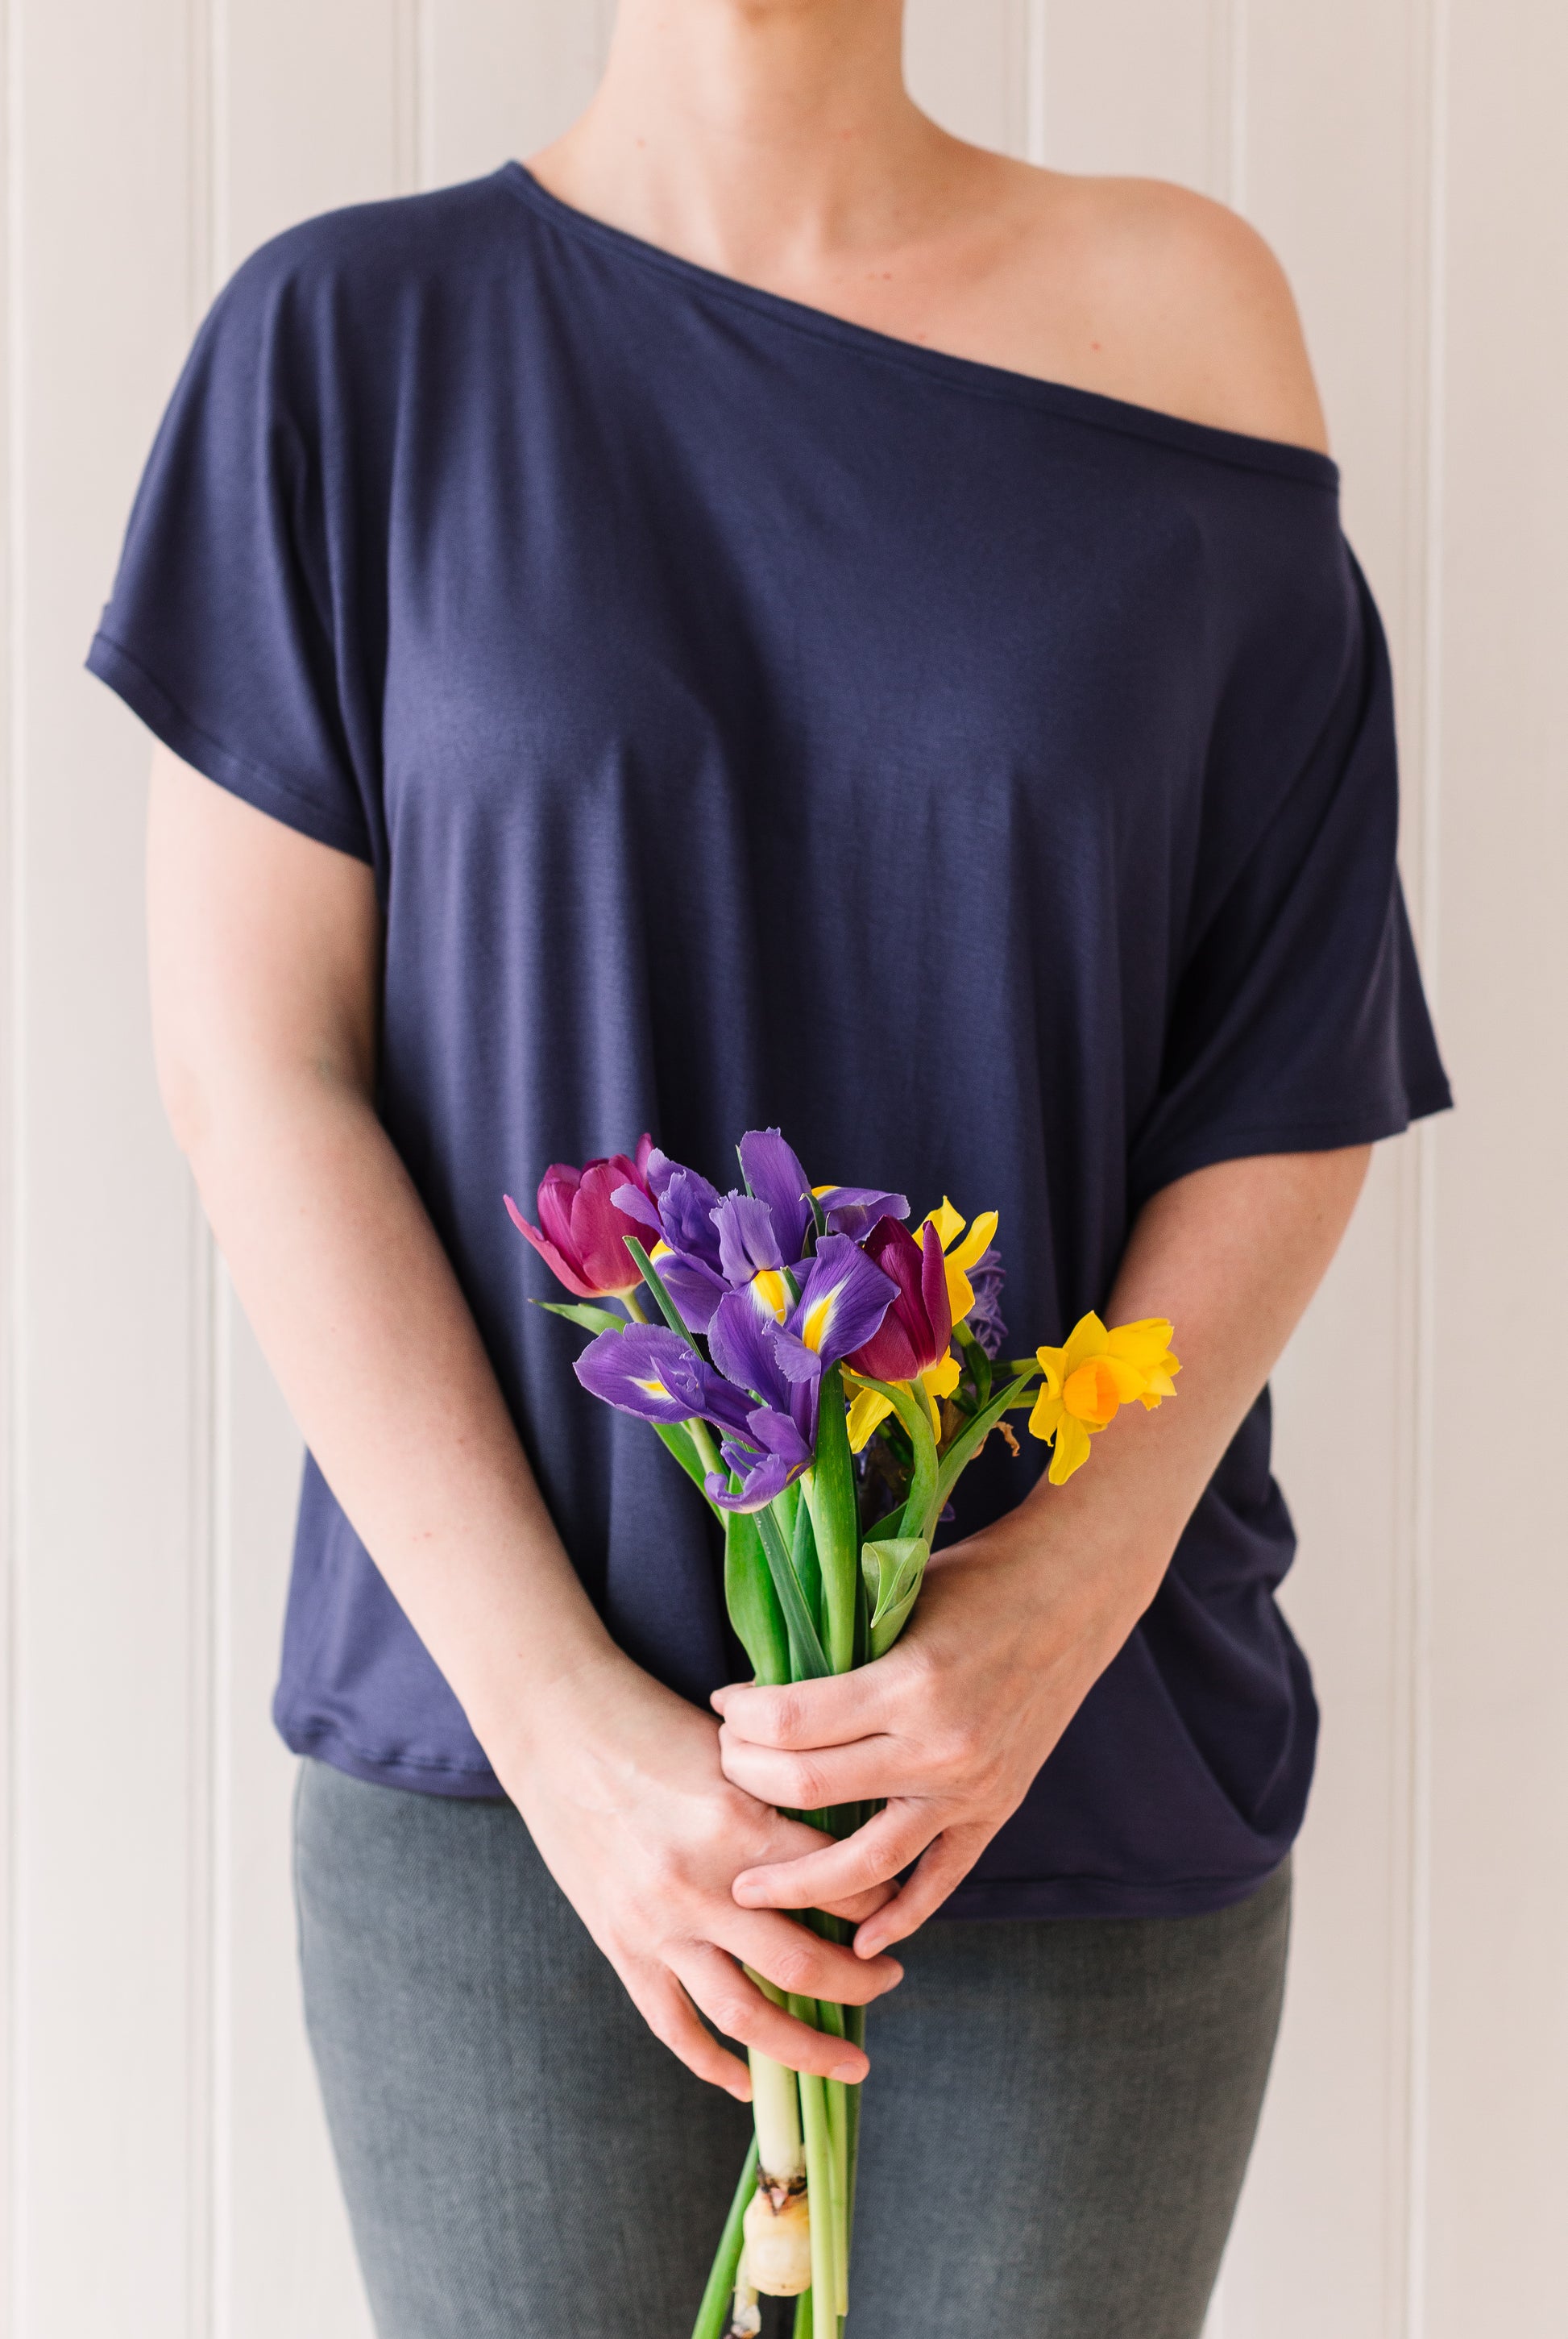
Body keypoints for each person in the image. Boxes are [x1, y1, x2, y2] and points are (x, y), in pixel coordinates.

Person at [89, 3, 1450, 2333]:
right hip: (508, 1802)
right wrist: (566, 1737)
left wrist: (1059, 1597)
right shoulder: (345, 343)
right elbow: (257, 1068)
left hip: (1054, 1771)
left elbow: (1286, 1058)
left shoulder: (1180, 317)